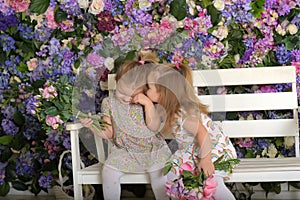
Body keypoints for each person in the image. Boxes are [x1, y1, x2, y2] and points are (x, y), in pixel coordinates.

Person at [132, 62, 237, 199]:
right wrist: (147, 103)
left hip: (210, 150)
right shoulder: (167, 108)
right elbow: (153, 126)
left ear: (164, 93)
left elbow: (202, 134)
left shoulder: (184, 114)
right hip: (191, 150)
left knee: (211, 180)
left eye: (149, 87)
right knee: (170, 172)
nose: (146, 90)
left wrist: (205, 159)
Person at [80, 52, 171, 200]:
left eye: (131, 96)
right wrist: (92, 126)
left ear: (144, 92)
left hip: (152, 150)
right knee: (108, 170)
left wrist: (147, 104)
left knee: (159, 174)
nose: (125, 98)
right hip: (125, 151)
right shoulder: (109, 103)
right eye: (121, 92)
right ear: (117, 82)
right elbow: (108, 133)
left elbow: (154, 127)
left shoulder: (148, 102)